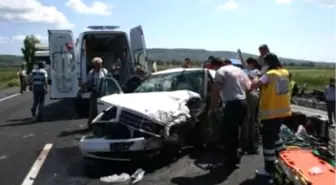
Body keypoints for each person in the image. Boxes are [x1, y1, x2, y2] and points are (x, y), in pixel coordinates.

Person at [250, 53, 291, 176]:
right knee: (275, 135)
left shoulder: (269, 75)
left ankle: (269, 169)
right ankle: (283, 157)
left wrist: (258, 75)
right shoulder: (284, 72)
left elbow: (254, 85)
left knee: (268, 141)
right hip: (282, 111)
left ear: (267, 63)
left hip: (270, 113)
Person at [208, 58, 251, 168]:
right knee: (237, 132)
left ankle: (230, 162)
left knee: (230, 134)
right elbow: (249, 86)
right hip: (243, 103)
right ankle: (236, 156)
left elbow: (216, 89)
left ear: (215, 66)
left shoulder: (221, 71)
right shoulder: (239, 70)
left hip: (232, 105)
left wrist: (212, 108)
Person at [241, 57, 262, 154]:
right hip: (254, 96)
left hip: (251, 95)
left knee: (248, 120)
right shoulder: (256, 71)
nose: (246, 65)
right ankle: (251, 143)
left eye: (247, 64)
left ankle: (248, 144)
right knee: (252, 120)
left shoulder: (253, 72)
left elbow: (251, 83)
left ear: (251, 63)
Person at [86, 57, 108, 129]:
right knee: (93, 109)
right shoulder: (91, 73)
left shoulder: (105, 71)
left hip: (104, 92)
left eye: (100, 64)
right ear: (94, 65)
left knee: (104, 108)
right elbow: (88, 82)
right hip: (95, 92)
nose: (99, 65)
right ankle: (91, 125)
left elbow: (108, 79)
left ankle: (103, 124)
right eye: (98, 64)